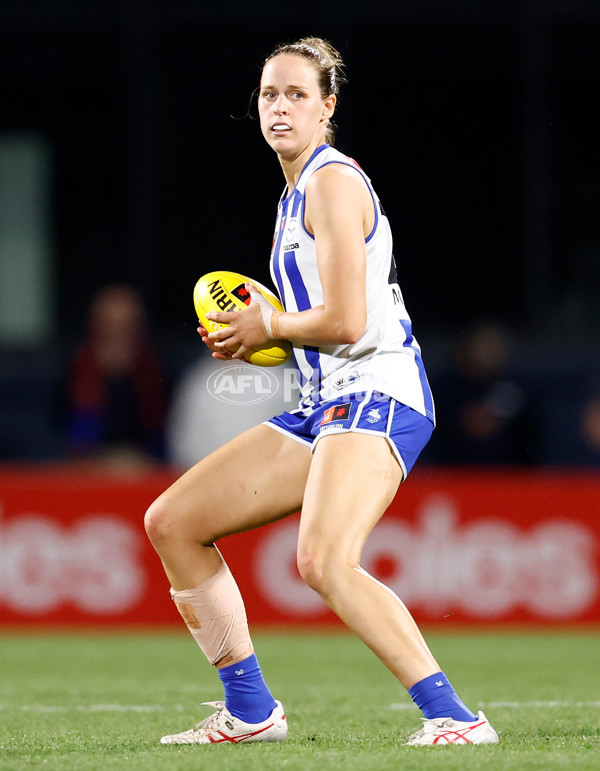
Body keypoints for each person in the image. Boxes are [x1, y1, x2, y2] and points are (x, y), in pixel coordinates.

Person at [145, 37, 498, 747]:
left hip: (380, 389)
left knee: (323, 560)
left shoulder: (333, 182)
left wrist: (267, 323)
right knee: (172, 521)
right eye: (270, 94)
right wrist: (259, 335)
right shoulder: (294, 191)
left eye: (297, 95)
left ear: (327, 107)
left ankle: (456, 717)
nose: (279, 107)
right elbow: (315, 324)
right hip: (327, 400)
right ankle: (250, 710)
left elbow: (347, 320)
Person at [61, 284, 168, 470]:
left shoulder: (158, 375)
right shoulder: (73, 373)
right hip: (81, 476)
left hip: (145, 474)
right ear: (95, 326)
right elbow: (62, 440)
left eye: (127, 326)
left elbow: (166, 441)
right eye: (110, 326)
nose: (118, 335)